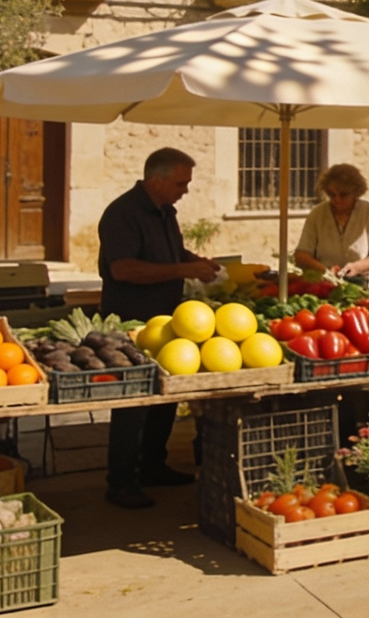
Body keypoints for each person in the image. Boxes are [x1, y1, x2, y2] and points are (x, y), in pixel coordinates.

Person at [97, 147, 223, 509]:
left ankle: (153, 465)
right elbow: (123, 269)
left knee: (165, 397)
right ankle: (120, 482)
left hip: (167, 319)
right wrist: (183, 270)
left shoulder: (166, 212)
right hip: (133, 321)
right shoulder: (123, 213)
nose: (185, 190)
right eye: (181, 183)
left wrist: (195, 262)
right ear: (157, 180)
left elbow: (172, 255)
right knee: (133, 403)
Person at [293, 163, 369, 289]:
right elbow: (302, 255)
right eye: (332, 194)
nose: (337, 199)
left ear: (356, 192)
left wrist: (357, 267)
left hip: (365, 284)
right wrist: (326, 271)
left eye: (343, 195)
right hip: (324, 284)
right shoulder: (317, 214)